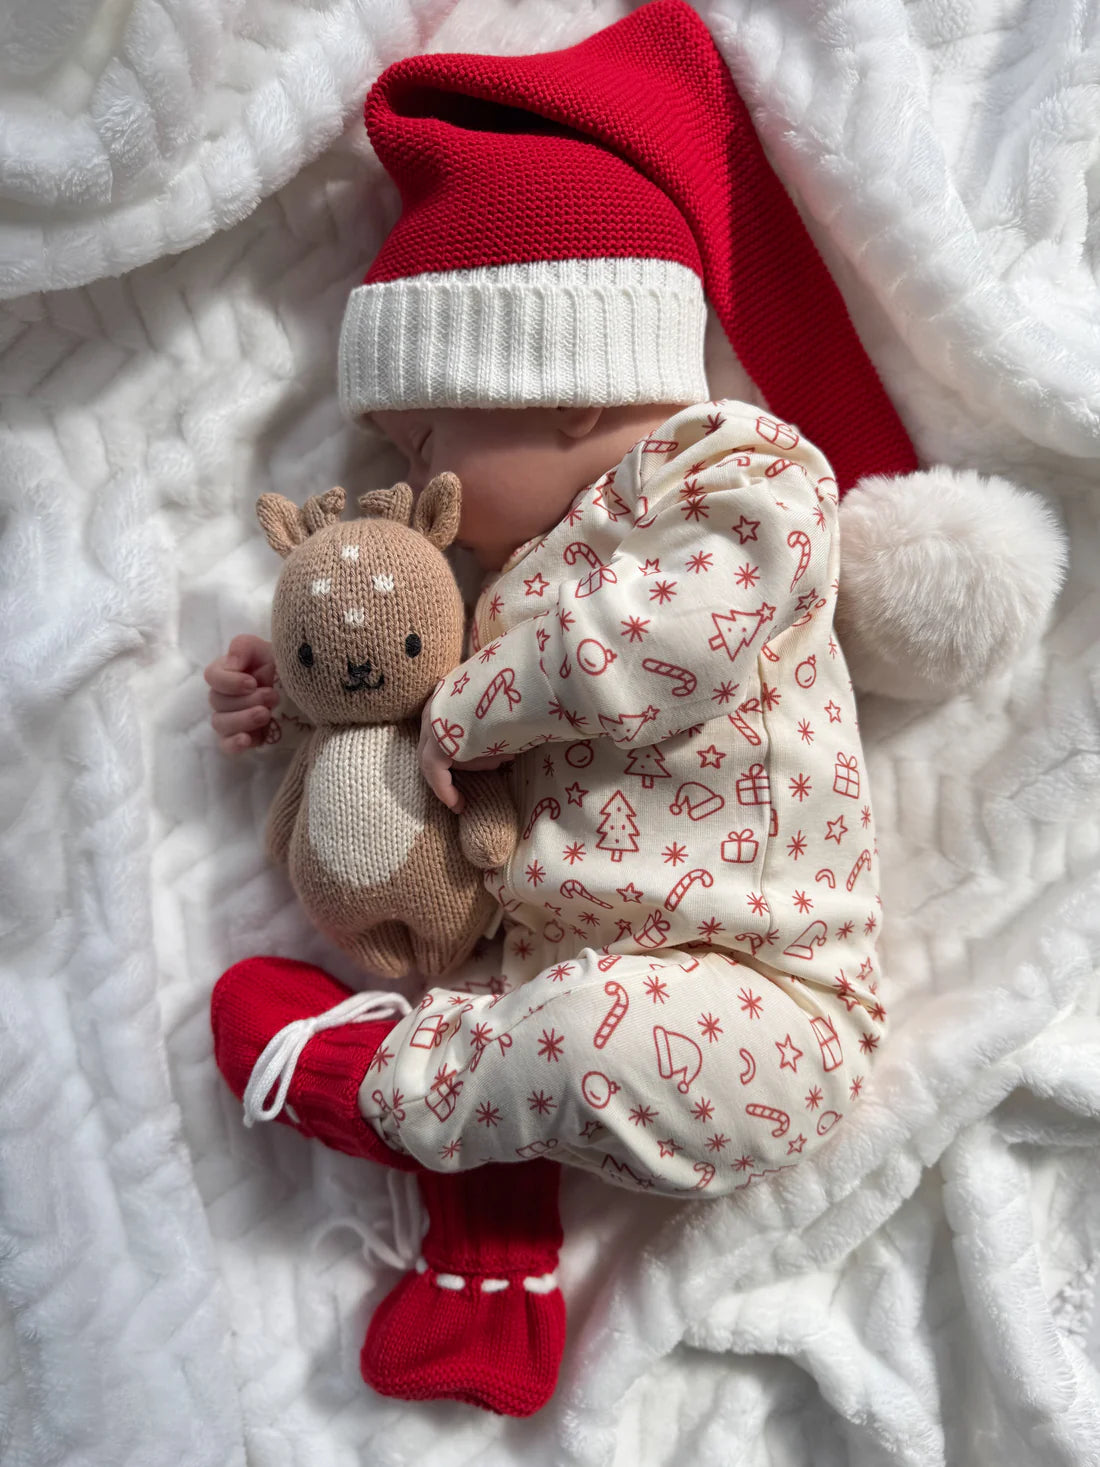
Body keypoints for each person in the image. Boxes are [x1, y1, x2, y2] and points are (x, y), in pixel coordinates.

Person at [205, 0, 913, 1413]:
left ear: (560, 392)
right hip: (555, 973)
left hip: (768, 1001)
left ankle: (386, 1091)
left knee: (588, 1051)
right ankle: (490, 1272)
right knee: (547, 1038)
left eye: (427, 436)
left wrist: (469, 709)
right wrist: (291, 686)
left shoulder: (737, 477)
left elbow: (661, 648)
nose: (428, 485)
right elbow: (400, 672)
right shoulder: (515, 582)